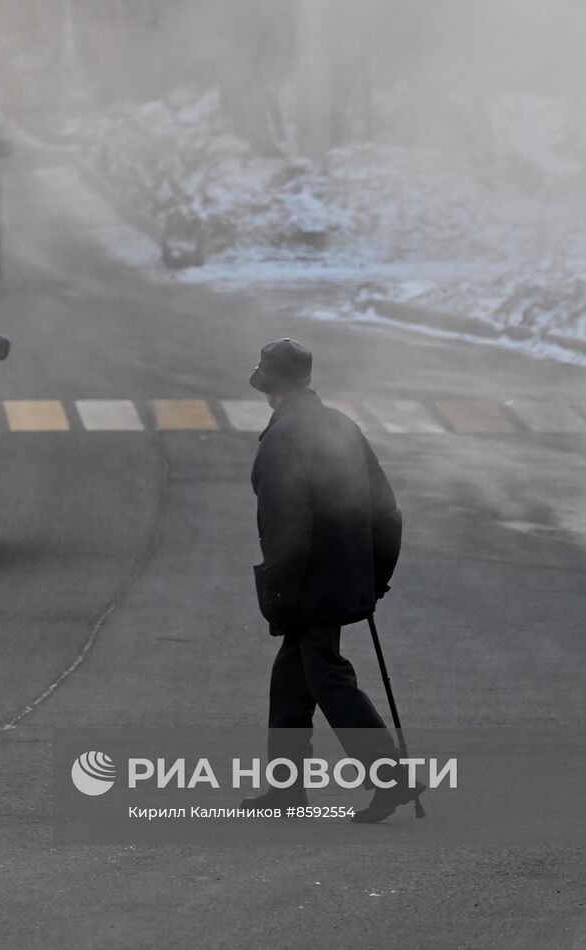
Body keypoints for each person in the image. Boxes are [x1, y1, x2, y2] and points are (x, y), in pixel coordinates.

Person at [240, 338, 420, 824]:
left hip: (308, 582)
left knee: (326, 675)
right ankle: (285, 788)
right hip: (343, 576)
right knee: (291, 679)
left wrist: (279, 593)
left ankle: (391, 778)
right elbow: (387, 511)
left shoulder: (283, 439)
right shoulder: (342, 426)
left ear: (271, 390)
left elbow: (285, 527)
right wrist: (375, 576)